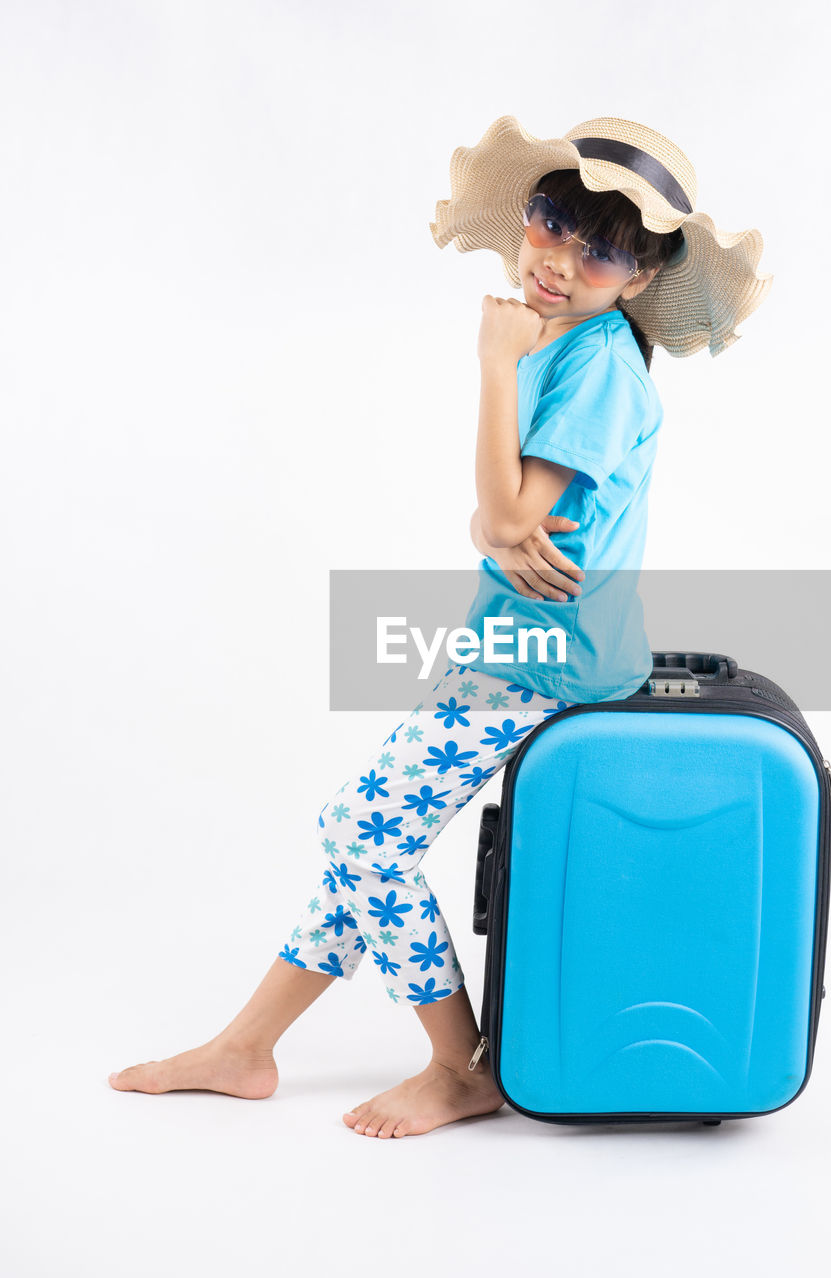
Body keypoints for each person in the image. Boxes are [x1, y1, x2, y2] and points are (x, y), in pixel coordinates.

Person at [107, 114, 771, 1137]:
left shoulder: (589, 364)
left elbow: (509, 516)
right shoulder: (578, 348)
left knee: (360, 836)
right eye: (551, 219)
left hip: (541, 664)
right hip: (509, 650)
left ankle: (457, 1065)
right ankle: (246, 1046)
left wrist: (492, 364)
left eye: (598, 249)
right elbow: (499, 516)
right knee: (365, 844)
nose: (556, 257)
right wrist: (491, 519)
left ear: (635, 278)